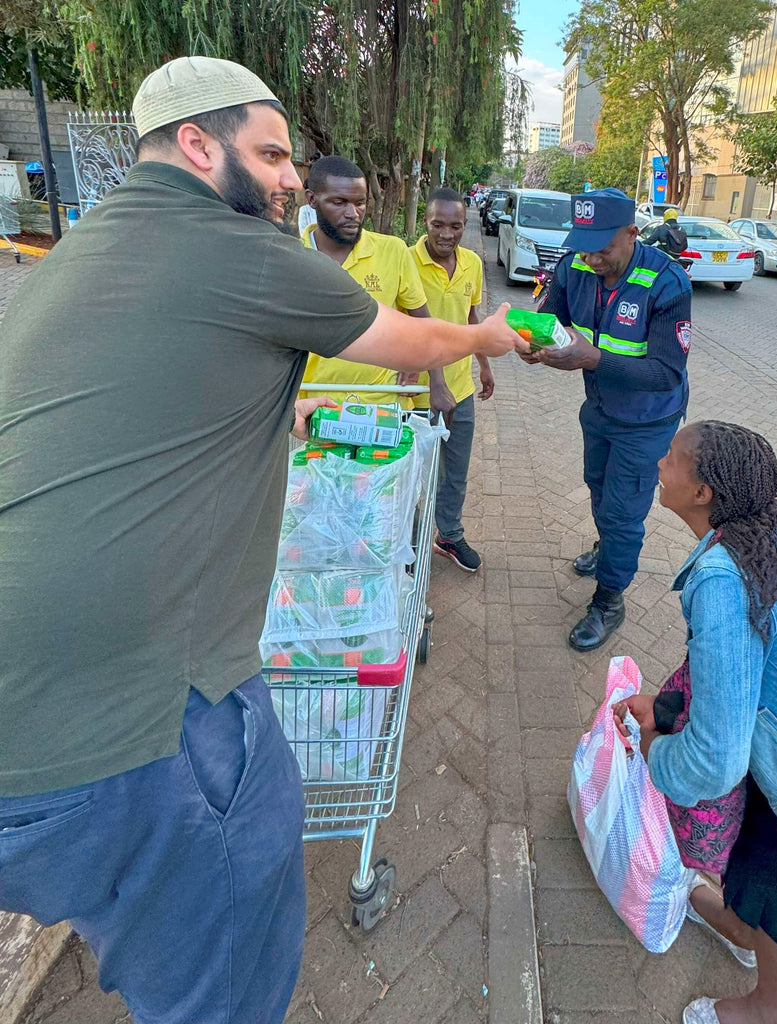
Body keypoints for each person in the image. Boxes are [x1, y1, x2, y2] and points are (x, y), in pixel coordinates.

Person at [0, 56, 525, 1024]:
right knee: (225, 979)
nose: (288, 177)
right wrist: (485, 337)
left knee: (157, 942)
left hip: (28, 738)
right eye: (270, 153)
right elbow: (409, 341)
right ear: (197, 145)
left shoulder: (84, 249)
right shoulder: (231, 245)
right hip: (135, 722)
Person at [614, 421, 777, 1024]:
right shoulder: (761, 536)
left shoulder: (725, 579)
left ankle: (769, 1010)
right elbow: (727, 678)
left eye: (673, 458)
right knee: (762, 873)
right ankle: (742, 925)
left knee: (773, 875)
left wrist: (655, 750)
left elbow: (716, 760)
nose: (659, 462)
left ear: (703, 491)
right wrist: (672, 707)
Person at [527, 187, 692, 651]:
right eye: (584, 245)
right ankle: (608, 551)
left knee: (623, 512)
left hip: (648, 421)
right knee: (598, 487)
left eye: (603, 246)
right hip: (599, 410)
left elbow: (666, 373)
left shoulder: (667, 283)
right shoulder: (574, 264)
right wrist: (532, 343)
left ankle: (609, 600)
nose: (592, 258)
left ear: (632, 233)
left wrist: (592, 359)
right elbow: (550, 319)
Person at [299, 155, 455, 418]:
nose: (353, 214)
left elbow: (423, 324)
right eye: (339, 202)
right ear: (312, 200)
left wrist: (437, 383)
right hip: (315, 410)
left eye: (360, 203)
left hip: (385, 408)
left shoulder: (392, 251)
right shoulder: (290, 259)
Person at [409, 187, 494, 572]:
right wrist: (435, 384)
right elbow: (413, 328)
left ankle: (449, 534)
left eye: (456, 225)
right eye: (438, 224)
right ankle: (405, 542)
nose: (447, 233)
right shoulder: (405, 262)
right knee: (411, 474)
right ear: (425, 222)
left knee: (455, 472)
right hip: (414, 393)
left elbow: (471, 319)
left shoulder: (473, 263)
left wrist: (485, 364)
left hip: (460, 388)